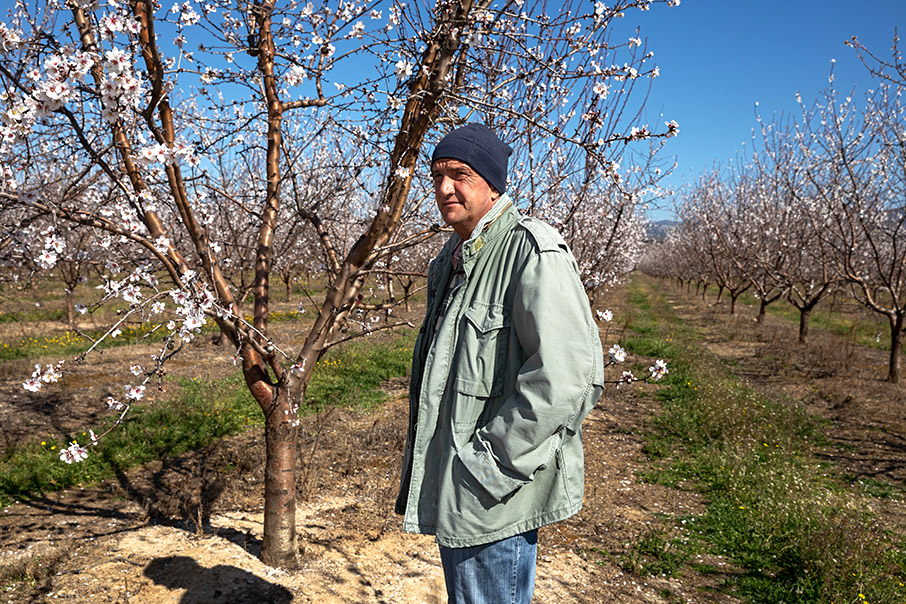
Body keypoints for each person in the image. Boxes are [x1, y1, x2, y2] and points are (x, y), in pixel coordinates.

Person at [394, 123, 605, 603]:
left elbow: (567, 378)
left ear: (492, 184)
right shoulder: (453, 257)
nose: (445, 188)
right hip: (460, 480)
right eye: (437, 176)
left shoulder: (531, 250)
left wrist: (487, 468)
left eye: (460, 174)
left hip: (494, 489)